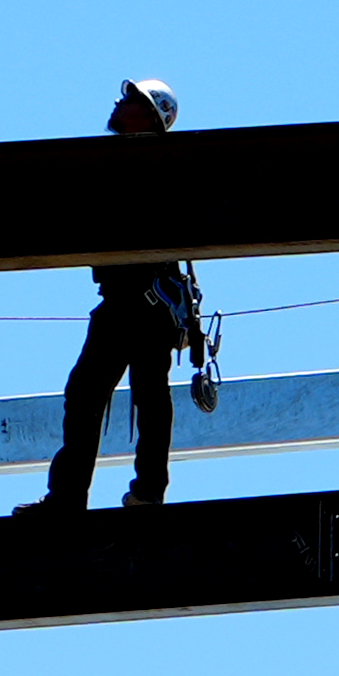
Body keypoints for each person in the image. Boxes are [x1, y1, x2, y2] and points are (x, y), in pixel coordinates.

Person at [37, 75, 214, 511]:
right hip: (123, 302)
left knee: (143, 395)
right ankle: (76, 497)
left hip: (145, 302)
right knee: (90, 395)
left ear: (149, 117)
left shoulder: (157, 165)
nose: (118, 104)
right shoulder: (110, 163)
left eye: (129, 100)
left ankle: (139, 493)